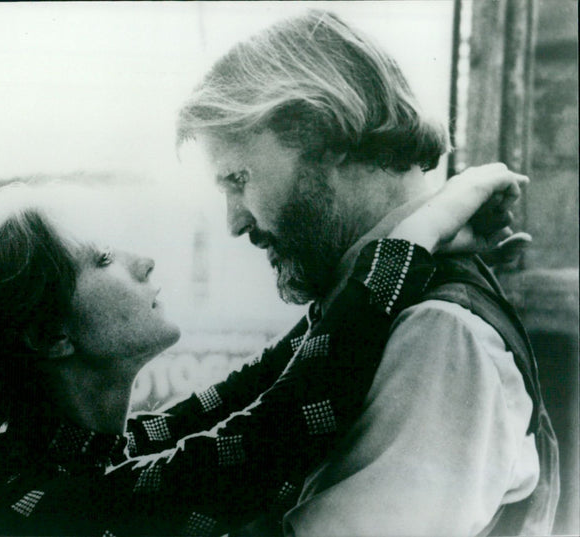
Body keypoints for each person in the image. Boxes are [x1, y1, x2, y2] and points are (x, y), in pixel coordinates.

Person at [0, 170, 521, 536]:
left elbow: (267, 382)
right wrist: (424, 227)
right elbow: (282, 421)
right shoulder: (52, 508)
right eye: (101, 260)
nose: (142, 261)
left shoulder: (74, 456)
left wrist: (415, 243)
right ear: (52, 337)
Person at [176, 9, 558, 537]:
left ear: (323, 135)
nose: (235, 222)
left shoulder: (438, 331)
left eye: (239, 179)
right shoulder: (376, 311)